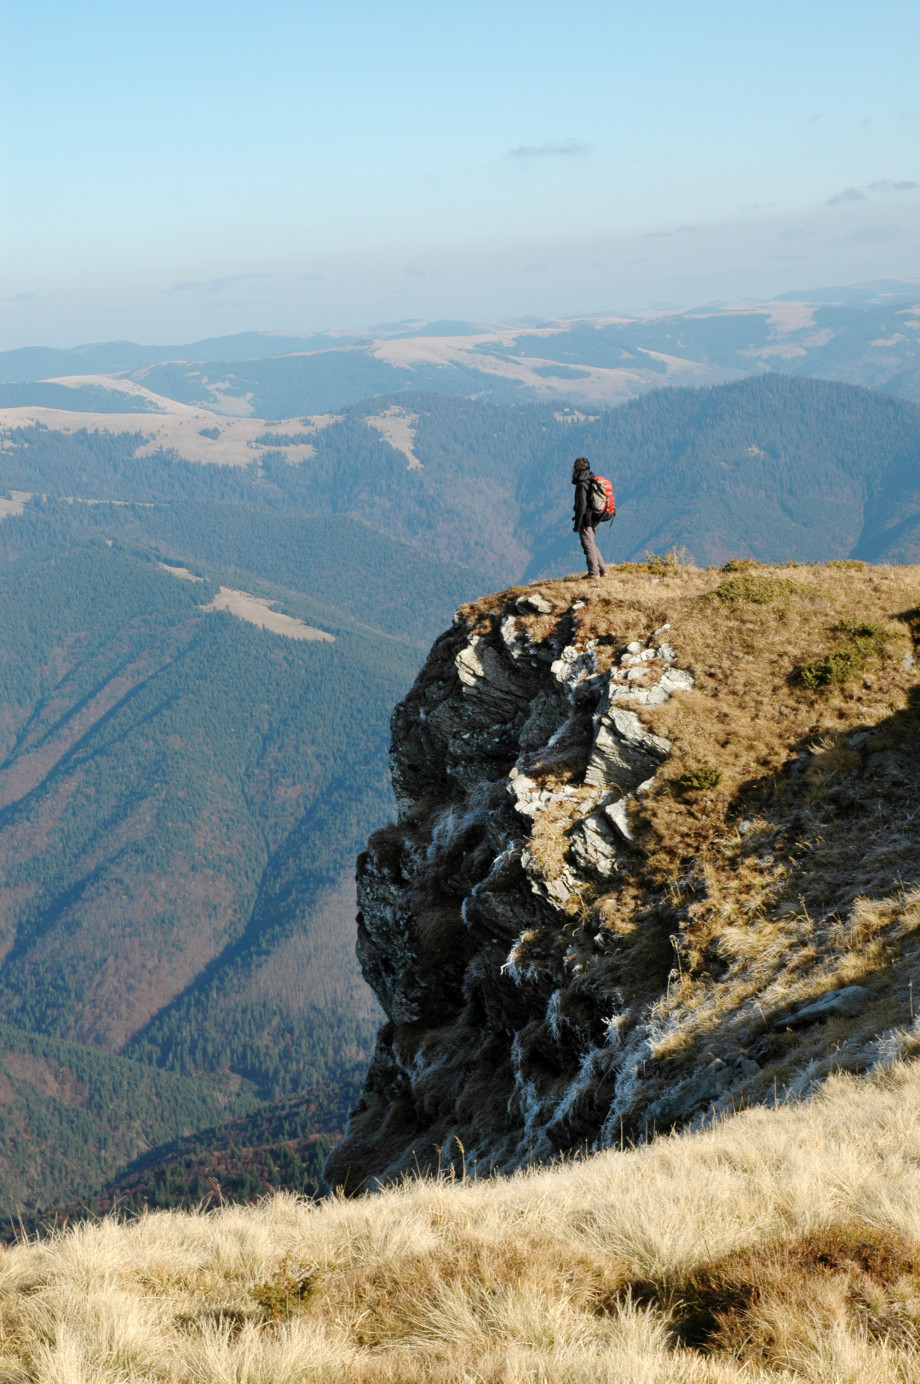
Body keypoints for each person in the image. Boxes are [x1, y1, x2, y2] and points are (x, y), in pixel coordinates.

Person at [571, 456, 607, 578]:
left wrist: (577, 525)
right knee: (591, 542)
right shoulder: (591, 479)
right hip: (594, 517)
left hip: (586, 519)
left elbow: (581, 506)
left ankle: (593, 573)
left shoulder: (582, 484)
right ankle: (602, 570)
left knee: (588, 544)